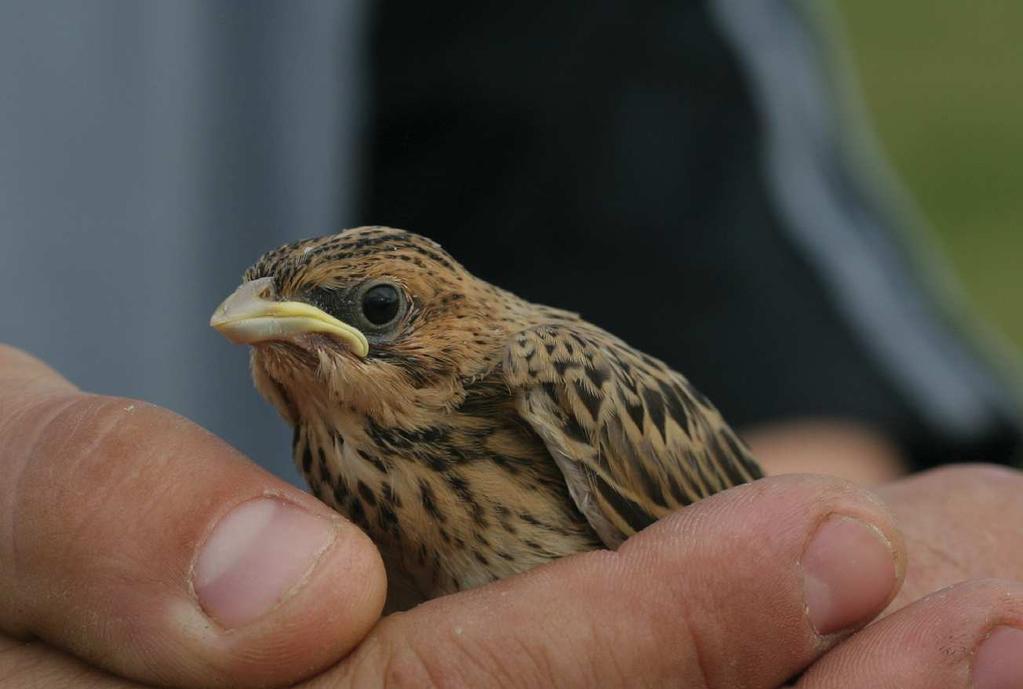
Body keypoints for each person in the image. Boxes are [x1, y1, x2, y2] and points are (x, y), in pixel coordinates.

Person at [1, 2, 1021, 687]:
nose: (318, 332)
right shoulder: (331, 449)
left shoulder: (554, 388)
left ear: (448, 327)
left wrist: (826, 594)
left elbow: (763, 486)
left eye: (378, 311)